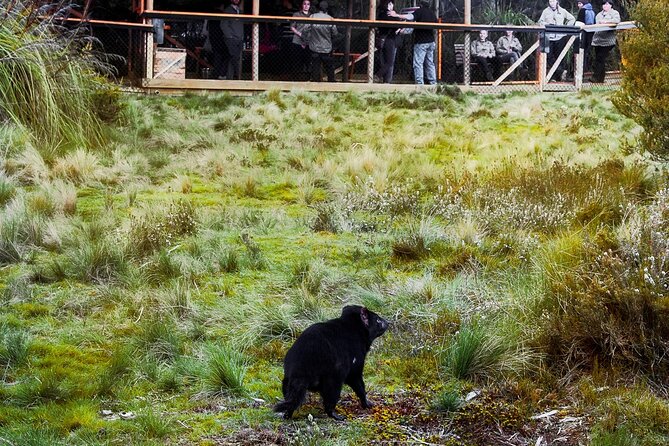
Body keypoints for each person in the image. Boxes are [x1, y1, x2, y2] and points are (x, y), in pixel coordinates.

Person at [375, 0, 412, 83]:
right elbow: (398, 25)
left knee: (384, 61)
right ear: (387, 4)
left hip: (381, 39)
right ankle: (378, 76)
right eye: (390, 4)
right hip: (389, 40)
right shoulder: (388, 14)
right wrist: (398, 19)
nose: (392, 5)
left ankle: (385, 80)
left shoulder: (380, 13)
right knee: (389, 62)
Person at [538, 0, 575, 82]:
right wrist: (547, 23)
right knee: (549, 57)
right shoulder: (545, 11)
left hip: (560, 37)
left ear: (557, 1)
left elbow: (572, 19)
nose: (552, 3)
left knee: (559, 57)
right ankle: (559, 72)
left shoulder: (562, 11)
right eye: (550, 1)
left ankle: (558, 78)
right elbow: (540, 22)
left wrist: (565, 28)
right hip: (549, 37)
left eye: (553, 1)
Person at [304, 1, 338, 82]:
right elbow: (335, 33)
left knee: (315, 67)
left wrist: (308, 39)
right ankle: (331, 82)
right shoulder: (330, 18)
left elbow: (305, 30)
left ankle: (315, 83)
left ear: (318, 9)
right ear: (327, 10)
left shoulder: (312, 17)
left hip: (314, 48)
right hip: (326, 48)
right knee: (329, 67)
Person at [590, 0, 620, 83]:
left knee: (600, 57)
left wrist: (606, 22)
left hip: (608, 41)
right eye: (604, 4)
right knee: (599, 59)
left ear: (611, 5)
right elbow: (597, 24)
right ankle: (600, 79)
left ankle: (595, 77)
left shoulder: (614, 13)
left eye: (607, 4)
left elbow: (616, 21)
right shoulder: (599, 14)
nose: (605, 6)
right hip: (597, 40)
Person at [412, 0, 437, 85]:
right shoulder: (432, 13)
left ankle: (419, 84)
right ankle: (433, 82)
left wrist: (398, 15)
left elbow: (410, 17)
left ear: (420, 5)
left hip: (421, 42)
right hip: (431, 42)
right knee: (430, 63)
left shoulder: (419, 11)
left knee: (418, 63)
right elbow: (436, 24)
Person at [221, 0, 244, 80]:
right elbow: (223, 25)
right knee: (234, 57)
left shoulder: (240, 11)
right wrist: (229, 36)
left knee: (232, 58)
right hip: (231, 39)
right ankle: (238, 75)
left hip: (239, 38)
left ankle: (228, 77)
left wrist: (241, 36)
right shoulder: (228, 10)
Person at [290, 0, 312, 79]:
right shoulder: (296, 14)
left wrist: (306, 38)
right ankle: (295, 79)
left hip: (308, 42)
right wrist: (299, 34)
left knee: (308, 61)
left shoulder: (312, 16)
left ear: (310, 6)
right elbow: (292, 27)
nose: (306, 6)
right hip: (297, 41)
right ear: (302, 5)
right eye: (304, 4)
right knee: (296, 61)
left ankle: (308, 79)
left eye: (308, 4)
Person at [576, 0, 595, 73]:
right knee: (585, 54)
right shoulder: (592, 11)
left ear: (583, 4)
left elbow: (579, 24)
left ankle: (579, 73)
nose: (578, 5)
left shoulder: (582, 11)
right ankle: (583, 71)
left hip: (583, 35)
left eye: (580, 3)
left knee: (580, 54)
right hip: (590, 35)